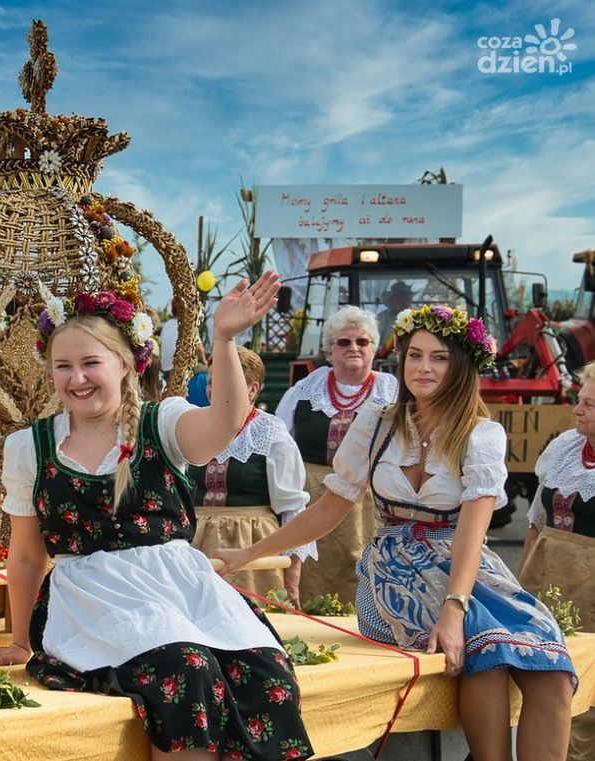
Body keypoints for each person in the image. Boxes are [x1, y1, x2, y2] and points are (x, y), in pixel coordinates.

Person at [0, 275, 312, 760]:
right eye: (62, 365)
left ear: (126, 364)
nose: (77, 378)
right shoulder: (30, 446)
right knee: (185, 671)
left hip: (181, 592)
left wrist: (223, 339)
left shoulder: (162, 422)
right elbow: (26, 554)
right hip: (92, 600)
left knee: (264, 673)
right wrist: (21, 641)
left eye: (91, 363)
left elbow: (226, 422)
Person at [220, 304, 576, 761]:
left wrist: (455, 605)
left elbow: (473, 527)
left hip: (466, 569)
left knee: (550, 665)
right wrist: (249, 553)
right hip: (394, 567)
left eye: (439, 357)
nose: (423, 368)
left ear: (462, 365)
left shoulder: (481, 434)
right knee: (484, 657)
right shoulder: (376, 422)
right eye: (415, 355)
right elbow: (329, 509)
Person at [274, 305, 397, 601]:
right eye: (343, 342)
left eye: (362, 342)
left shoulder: (392, 392)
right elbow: (278, 444)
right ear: (329, 352)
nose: (353, 348)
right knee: (310, 570)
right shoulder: (305, 390)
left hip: (368, 502)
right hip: (312, 497)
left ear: (374, 348)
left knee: (363, 568)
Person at [190, 345, 314, 605]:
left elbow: (292, 508)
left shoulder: (270, 433)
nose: (216, 388)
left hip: (253, 547)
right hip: (197, 546)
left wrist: (291, 578)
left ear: (253, 389)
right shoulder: (194, 425)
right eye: (213, 381)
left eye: (227, 381)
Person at [520, 359, 595, 761]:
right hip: (547, 582)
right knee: (546, 680)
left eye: (590, 405)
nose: (578, 410)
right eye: (580, 401)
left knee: (586, 689)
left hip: (592, 590)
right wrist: (521, 584)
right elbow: (536, 520)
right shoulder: (565, 447)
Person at [376, 281, 415, 349]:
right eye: (399, 298)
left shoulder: (419, 317)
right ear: (391, 301)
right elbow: (374, 340)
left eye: (406, 298)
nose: (403, 301)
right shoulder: (383, 317)